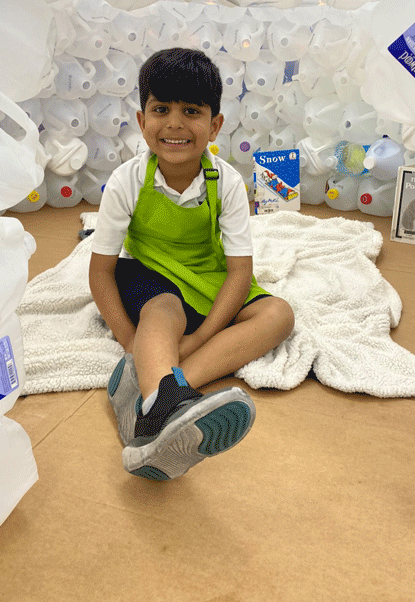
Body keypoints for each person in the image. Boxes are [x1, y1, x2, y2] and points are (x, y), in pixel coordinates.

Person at [89, 47, 295, 480]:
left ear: (214, 124)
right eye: (161, 109)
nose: (176, 124)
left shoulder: (228, 182)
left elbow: (240, 272)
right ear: (142, 121)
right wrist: (129, 339)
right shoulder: (128, 181)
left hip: (207, 277)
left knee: (278, 314)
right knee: (164, 309)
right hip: (149, 279)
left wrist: (202, 334)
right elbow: (101, 271)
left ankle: (160, 395)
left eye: (192, 111)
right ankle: (161, 396)